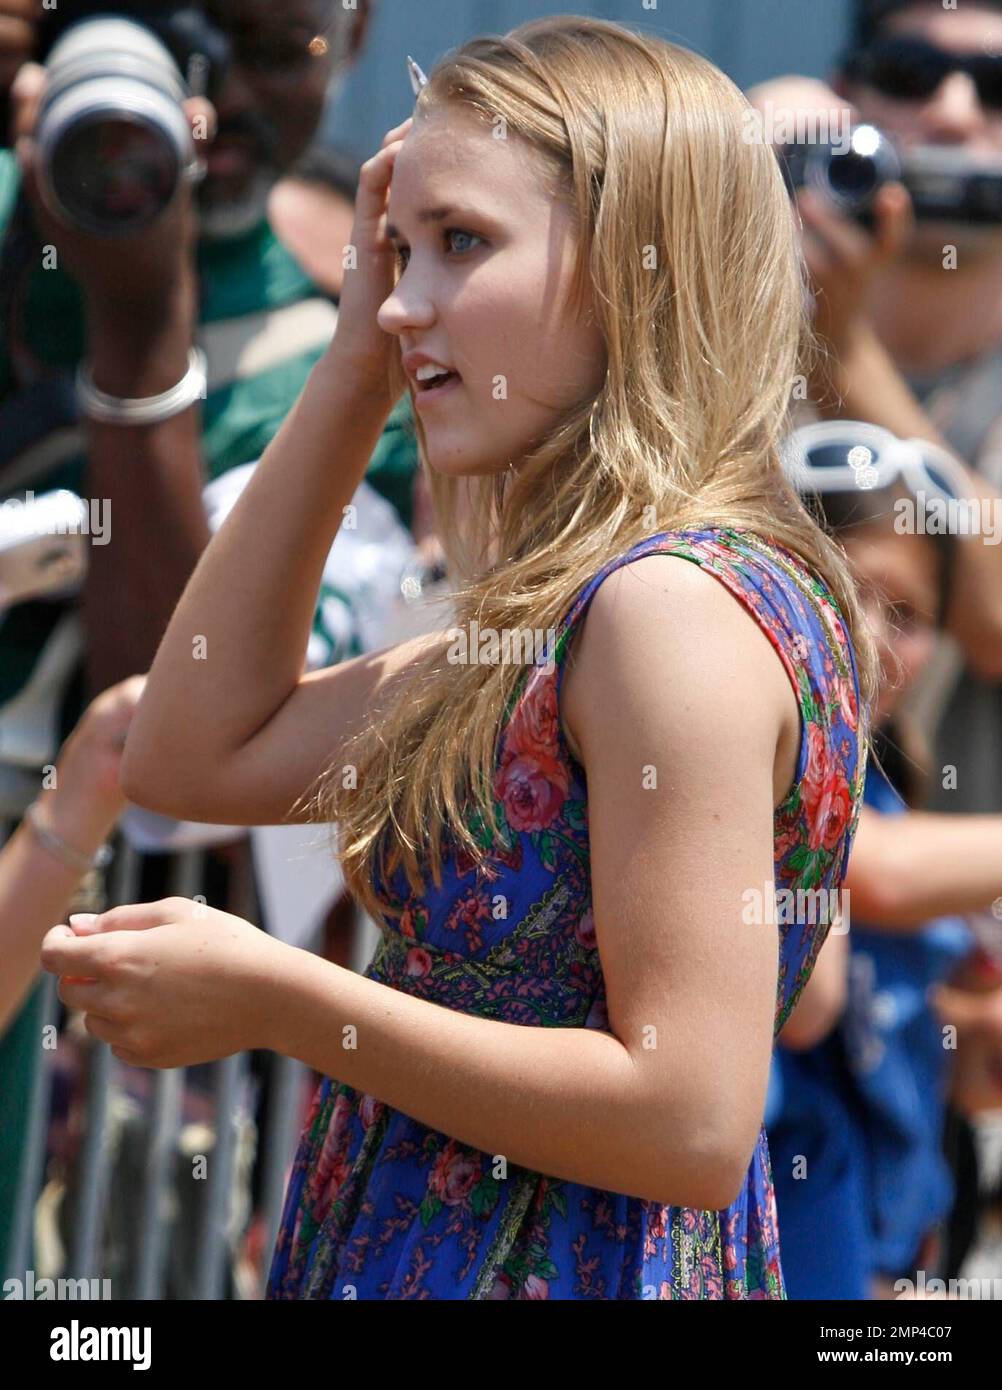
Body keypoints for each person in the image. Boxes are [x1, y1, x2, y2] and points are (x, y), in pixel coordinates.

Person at [41, 17, 872, 1300]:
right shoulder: (568, 607)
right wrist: (352, 372)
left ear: (634, 271)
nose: (397, 298)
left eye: (461, 245)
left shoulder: (666, 611)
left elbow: (689, 1117)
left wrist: (287, 1000)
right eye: (397, 247)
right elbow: (189, 749)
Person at [0, 0, 419, 1276]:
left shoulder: (369, 319)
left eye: (263, 45)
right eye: (151, 31)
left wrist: (137, 325)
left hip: (103, 1079)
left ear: (351, 30)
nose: (203, 102)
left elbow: (180, 741)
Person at [748, 0, 1002, 821]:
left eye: (996, 88)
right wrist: (721, 174)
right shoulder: (737, 333)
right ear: (845, 100)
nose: (954, 114)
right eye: (910, 74)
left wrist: (842, 350)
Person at [766, 429, 1002, 1299]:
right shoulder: (763, 767)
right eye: (838, 589)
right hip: (804, 1234)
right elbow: (876, 873)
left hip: (902, 1243)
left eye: (904, 615)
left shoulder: (895, 790)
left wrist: (971, 1035)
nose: (863, 632)